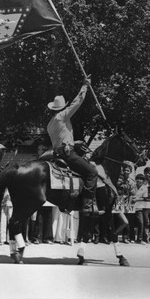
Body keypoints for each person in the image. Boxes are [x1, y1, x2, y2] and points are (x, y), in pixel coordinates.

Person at [46, 77, 98, 213]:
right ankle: (87, 203)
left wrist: (74, 142)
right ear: (62, 107)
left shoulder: (50, 124)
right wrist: (84, 86)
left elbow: (59, 140)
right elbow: (76, 103)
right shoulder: (62, 116)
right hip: (67, 153)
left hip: (57, 152)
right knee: (92, 172)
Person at [132, 173, 148, 244]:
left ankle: (139, 239)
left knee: (141, 223)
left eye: (141, 179)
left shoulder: (145, 188)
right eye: (138, 179)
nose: (139, 180)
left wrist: (137, 199)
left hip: (139, 208)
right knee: (130, 223)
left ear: (143, 181)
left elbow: (145, 198)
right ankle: (131, 238)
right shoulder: (133, 186)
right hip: (131, 207)